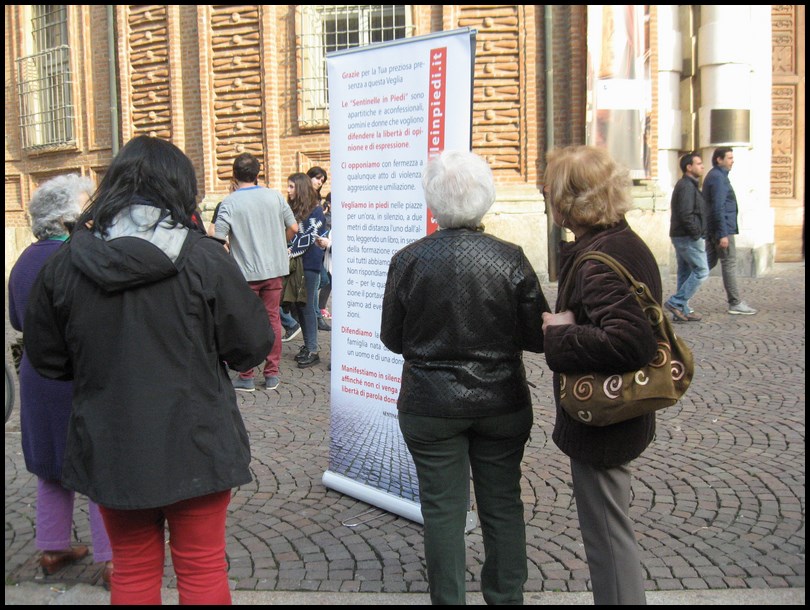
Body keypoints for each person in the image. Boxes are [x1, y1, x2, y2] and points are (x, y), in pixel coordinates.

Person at [22, 135, 274, 605]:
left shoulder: (64, 265)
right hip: (196, 441)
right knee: (201, 567)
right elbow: (252, 347)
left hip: (112, 443)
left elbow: (49, 361)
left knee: (134, 569)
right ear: (181, 189)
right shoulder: (203, 258)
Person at [380, 150, 550, 605]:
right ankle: (506, 598)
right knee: (502, 505)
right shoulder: (510, 258)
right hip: (500, 400)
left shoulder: (408, 260)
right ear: (486, 198)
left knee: (442, 512)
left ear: (433, 202)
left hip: (430, 403)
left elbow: (392, 338)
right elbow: (537, 337)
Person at [541, 145, 657, 605]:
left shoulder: (596, 261)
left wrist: (562, 333)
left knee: (608, 537)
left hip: (603, 419)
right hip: (618, 414)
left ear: (569, 202)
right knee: (610, 531)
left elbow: (630, 342)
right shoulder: (623, 240)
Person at [8, 175, 113, 586]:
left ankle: (52, 548)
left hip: (37, 374)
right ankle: (112, 560)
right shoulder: (79, 258)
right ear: (71, 214)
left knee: (51, 467)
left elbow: (17, 320)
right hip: (78, 373)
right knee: (98, 466)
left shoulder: (23, 262)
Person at [215, 153, 299, 391]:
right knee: (273, 319)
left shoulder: (230, 202)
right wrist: (279, 245)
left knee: (245, 323)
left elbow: (218, 237)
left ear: (234, 174)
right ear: (258, 173)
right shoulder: (275, 196)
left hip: (245, 273)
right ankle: (272, 374)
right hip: (274, 269)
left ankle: (246, 375)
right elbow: (293, 227)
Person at [702, 147, 757, 315]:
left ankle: (680, 298)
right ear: (719, 159)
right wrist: (722, 233)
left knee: (703, 265)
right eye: (729, 157)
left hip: (717, 228)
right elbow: (718, 207)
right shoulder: (718, 178)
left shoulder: (717, 176)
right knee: (728, 263)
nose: (732, 160)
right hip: (722, 229)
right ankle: (735, 302)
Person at [285, 172, 328, 368]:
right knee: (299, 306)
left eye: (292, 186)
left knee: (308, 306)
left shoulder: (316, 211)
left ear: (300, 188)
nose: (288, 190)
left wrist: (288, 251)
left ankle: (312, 349)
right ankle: (307, 345)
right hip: (295, 265)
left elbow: (308, 237)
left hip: (309, 265)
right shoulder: (293, 210)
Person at [664, 152, 709, 322]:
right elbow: (685, 214)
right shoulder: (686, 186)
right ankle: (677, 302)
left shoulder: (690, 185)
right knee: (701, 271)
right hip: (687, 236)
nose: (702, 166)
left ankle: (683, 310)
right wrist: (696, 233)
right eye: (698, 163)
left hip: (683, 235)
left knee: (685, 272)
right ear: (689, 167)